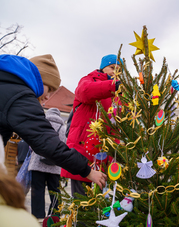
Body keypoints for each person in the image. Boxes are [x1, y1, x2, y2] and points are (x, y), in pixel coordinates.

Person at [0, 54, 107, 190]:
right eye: (49, 89)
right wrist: (88, 171)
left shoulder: (6, 84)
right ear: (37, 78)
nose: (48, 96)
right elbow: (48, 143)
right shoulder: (20, 97)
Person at [61, 54, 121, 197]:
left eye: (119, 70)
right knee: (82, 198)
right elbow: (85, 91)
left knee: (102, 201)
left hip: (107, 151)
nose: (115, 72)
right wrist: (113, 86)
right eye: (112, 68)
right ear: (102, 67)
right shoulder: (89, 80)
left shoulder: (119, 92)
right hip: (84, 148)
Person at [28, 107, 66, 220]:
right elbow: (64, 146)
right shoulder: (63, 128)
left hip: (37, 164)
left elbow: (31, 142)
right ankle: (54, 215)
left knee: (37, 190)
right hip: (55, 166)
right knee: (55, 191)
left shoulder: (41, 124)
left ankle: (37, 215)